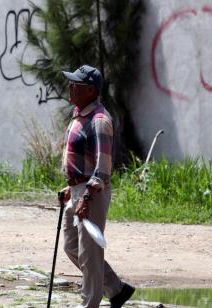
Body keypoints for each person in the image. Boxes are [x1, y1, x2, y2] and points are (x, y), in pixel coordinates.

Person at [59, 65, 135, 308]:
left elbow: (103, 167)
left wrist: (87, 195)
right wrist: (71, 188)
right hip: (78, 190)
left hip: (93, 192)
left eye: (76, 84)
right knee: (72, 247)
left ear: (91, 90)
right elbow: (84, 160)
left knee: (89, 254)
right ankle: (116, 289)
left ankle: (89, 304)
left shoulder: (100, 121)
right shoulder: (79, 114)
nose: (70, 87)